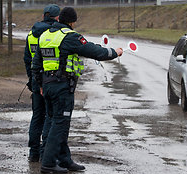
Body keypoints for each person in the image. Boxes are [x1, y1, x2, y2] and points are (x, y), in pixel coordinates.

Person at [32, 7, 123, 173]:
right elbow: (96, 52)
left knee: (55, 122)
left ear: (59, 19)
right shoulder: (70, 36)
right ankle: (48, 163)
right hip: (62, 87)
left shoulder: (45, 35)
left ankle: (65, 160)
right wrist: (115, 52)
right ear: (72, 21)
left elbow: (36, 64)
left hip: (48, 85)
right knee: (60, 125)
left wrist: (39, 85)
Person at [23, 4, 60, 162]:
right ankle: (46, 151)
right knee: (50, 117)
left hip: (35, 82)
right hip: (51, 81)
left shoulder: (31, 34)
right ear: (56, 17)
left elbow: (27, 59)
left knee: (37, 116)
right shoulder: (55, 34)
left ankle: (34, 152)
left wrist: (32, 80)